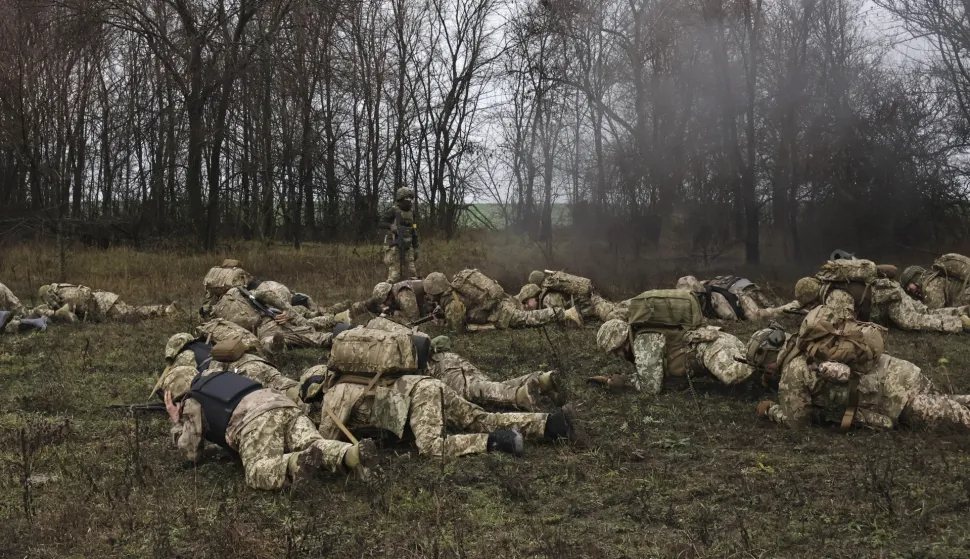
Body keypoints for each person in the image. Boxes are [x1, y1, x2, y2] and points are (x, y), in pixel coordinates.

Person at [310, 326, 586, 458]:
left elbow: (323, 441)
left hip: (418, 396)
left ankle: (497, 442)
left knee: (433, 448)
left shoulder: (334, 396)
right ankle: (551, 424)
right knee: (480, 416)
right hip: (425, 386)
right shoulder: (362, 376)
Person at [152, 365, 376, 490]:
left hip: (256, 419)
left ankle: (296, 463)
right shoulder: (221, 375)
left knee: (257, 469)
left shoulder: (193, 400)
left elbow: (191, 453)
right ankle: (351, 454)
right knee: (314, 443)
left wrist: (176, 420)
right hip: (283, 404)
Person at [745, 323, 970, 431]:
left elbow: (797, 423)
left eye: (763, 366)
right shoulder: (805, 344)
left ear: (770, 357)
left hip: (898, 398)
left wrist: (771, 409)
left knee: (960, 421)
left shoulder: (792, 371)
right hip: (904, 373)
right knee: (950, 402)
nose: (766, 371)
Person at [793, 259, 970, 333]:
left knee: (914, 321)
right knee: (925, 311)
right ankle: (962, 311)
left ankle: (958, 323)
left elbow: (847, 324)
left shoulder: (834, 295)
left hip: (887, 299)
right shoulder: (833, 283)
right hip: (889, 290)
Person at [594, 317, 753, 395]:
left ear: (622, 342)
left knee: (739, 376)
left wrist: (624, 383)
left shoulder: (643, 342)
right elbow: (652, 374)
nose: (617, 356)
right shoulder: (642, 337)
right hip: (715, 343)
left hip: (712, 347)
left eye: (616, 351)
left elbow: (651, 387)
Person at [428, 336, 564, 411]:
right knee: (490, 388)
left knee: (470, 393)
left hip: (436, 363)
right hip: (449, 359)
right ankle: (542, 380)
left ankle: (522, 395)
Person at [422, 270, 582, 332]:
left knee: (529, 319)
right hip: (499, 305)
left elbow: (458, 331)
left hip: (500, 313)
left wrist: (441, 325)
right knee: (527, 316)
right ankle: (563, 313)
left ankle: (565, 313)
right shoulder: (454, 292)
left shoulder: (451, 303)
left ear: (435, 291)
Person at [515, 270, 626, 323]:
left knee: (616, 316)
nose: (526, 306)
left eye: (527, 302)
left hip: (592, 304)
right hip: (589, 303)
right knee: (618, 308)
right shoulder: (550, 285)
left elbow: (562, 314)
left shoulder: (548, 298)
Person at [675, 275, 800, 321]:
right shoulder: (693, 292)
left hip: (740, 297)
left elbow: (732, 318)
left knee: (755, 316)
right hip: (730, 289)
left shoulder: (716, 300)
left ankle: (790, 306)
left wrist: (711, 321)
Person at [36, 283, 177, 322]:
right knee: (131, 311)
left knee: (131, 312)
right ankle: (164, 310)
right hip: (103, 302)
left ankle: (165, 310)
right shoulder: (62, 291)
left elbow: (84, 300)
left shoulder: (65, 294)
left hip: (104, 305)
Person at [378, 187, 419, 283]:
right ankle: (389, 296)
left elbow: (414, 229)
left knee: (412, 274)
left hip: (408, 246)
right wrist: (390, 226)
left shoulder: (412, 211)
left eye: (410, 198)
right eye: (406, 198)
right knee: (394, 276)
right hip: (394, 246)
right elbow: (380, 222)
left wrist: (416, 247)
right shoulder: (393, 210)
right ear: (400, 198)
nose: (409, 201)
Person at [900, 261, 970, 310]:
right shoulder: (929, 282)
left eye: (908, 285)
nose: (908, 289)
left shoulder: (931, 284)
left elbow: (936, 311)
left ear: (914, 278)